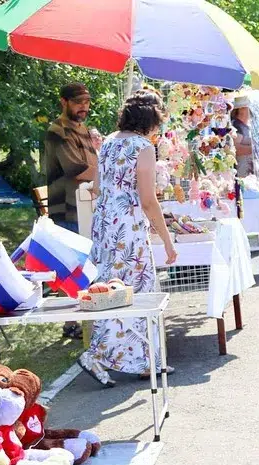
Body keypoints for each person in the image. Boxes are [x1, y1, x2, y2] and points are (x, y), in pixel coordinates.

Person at [77, 91, 178, 387]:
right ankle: (99, 355)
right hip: (129, 229)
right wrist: (167, 240)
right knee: (134, 292)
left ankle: (141, 360)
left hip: (105, 226)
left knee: (110, 289)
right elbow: (148, 200)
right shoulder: (143, 147)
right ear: (150, 120)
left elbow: (97, 187)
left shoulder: (109, 142)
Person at [42, 82, 100, 340]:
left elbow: (92, 163)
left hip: (85, 205)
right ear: (63, 102)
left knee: (86, 263)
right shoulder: (57, 130)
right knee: (73, 265)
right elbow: (76, 170)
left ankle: (86, 318)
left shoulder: (82, 128)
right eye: (78, 102)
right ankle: (72, 323)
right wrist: (108, 174)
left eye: (86, 102)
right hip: (66, 207)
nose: (83, 107)